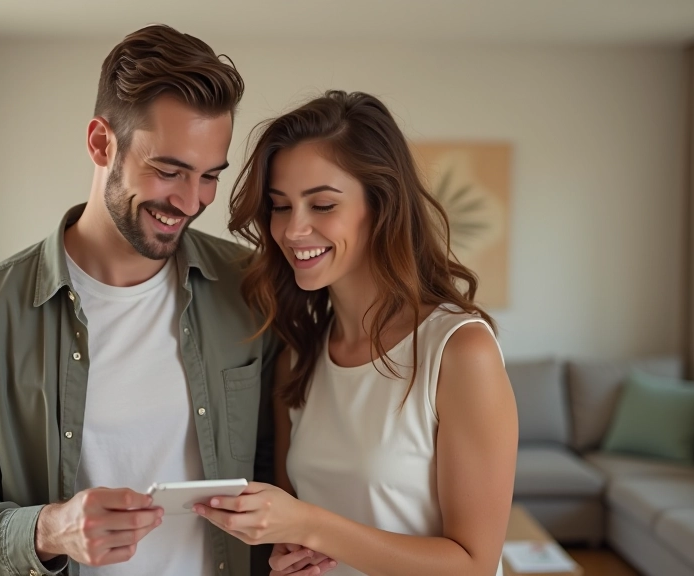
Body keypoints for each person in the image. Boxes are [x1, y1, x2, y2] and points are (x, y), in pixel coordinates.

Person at [0, 25, 280, 576]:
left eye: (208, 177)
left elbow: (280, 466)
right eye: (168, 170)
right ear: (102, 143)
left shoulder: (250, 288)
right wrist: (50, 529)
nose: (190, 200)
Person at [194, 90, 519, 576]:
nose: (293, 230)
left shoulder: (458, 350)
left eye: (322, 204)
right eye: (280, 206)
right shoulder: (298, 358)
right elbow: (299, 535)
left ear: (381, 206)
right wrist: (291, 556)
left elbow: (473, 564)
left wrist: (307, 525)